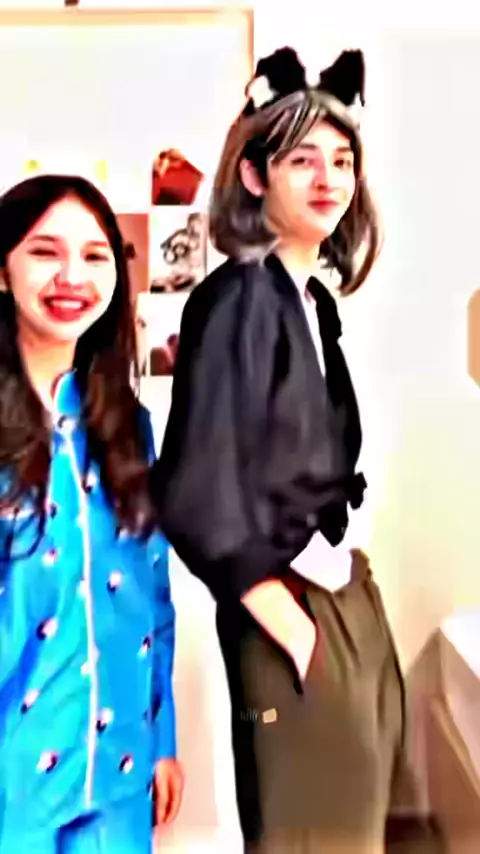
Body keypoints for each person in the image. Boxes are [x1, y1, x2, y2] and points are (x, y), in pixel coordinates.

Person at [150, 46, 420, 854]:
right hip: (292, 608)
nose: (328, 177)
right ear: (255, 175)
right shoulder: (237, 298)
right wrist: (292, 629)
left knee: (356, 828)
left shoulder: (311, 302)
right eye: (302, 159)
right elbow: (197, 492)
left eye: (342, 160)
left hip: (342, 594)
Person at [0, 173, 184, 853]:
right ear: (2, 270)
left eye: (94, 255)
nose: (72, 275)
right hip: (12, 792)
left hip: (118, 780)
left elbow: (152, 597)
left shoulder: (128, 427)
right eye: (45, 251)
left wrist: (163, 738)